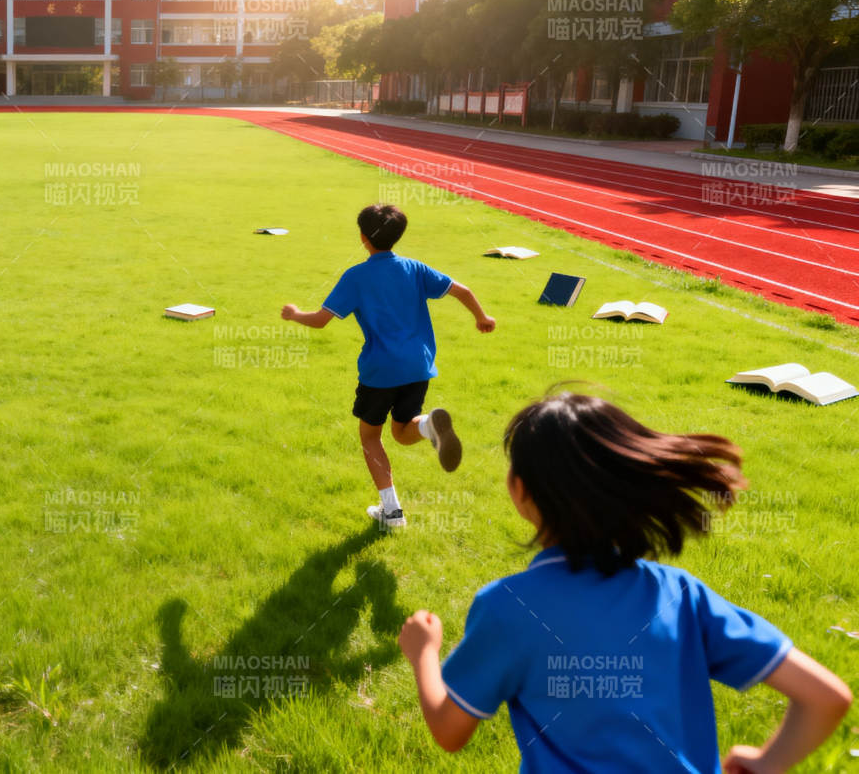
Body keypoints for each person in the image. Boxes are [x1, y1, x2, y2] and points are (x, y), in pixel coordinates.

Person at [398, 392, 852, 771]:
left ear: (520, 491)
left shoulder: (509, 606)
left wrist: (424, 652)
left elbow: (450, 730)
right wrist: (766, 764)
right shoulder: (680, 594)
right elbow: (826, 698)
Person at [282, 204, 494, 528]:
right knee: (403, 430)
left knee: (370, 437)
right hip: (418, 367)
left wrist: (295, 314)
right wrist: (482, 317)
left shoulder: (356, 276)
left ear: (363, 238)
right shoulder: (414, 268)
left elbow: (321, 320)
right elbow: (461, 290)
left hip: (380, 371)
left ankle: (392, 513)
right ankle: (427, 426)